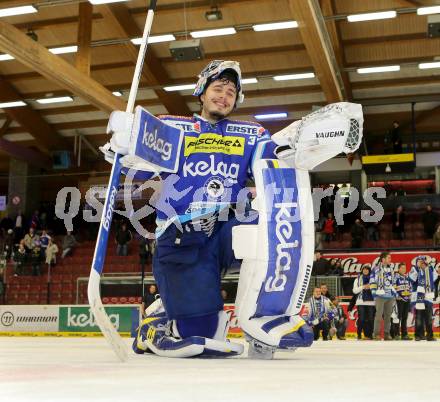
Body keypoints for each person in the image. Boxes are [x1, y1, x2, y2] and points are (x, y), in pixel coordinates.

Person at [102, 59, 363, 358]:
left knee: (272, 223)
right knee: (203, 335)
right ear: (201, 92)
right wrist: (124, 146)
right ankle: (157, 321)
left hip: (229, 225)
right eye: (218, 88)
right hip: (183, 232)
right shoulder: (172, 127)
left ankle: (266, 316)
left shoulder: (251, 133)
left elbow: (277, 155)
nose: (224, 96)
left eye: (230, 92)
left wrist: (316, 135)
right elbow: (138, 166)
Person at [409, 256, 438, 341]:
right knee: (418, 317)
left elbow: (435, 278)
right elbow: (411, 279)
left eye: (423, 262)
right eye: (420, 262)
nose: (422, 263)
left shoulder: (430, 269)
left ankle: (430, 335)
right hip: (418, 296)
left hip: (428, 296)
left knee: (429, 317)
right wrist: (418, 269)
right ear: (417, 262)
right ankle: (418, 335)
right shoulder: (414, 269)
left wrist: (428, 270)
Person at [370, 252, 396, 340]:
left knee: (388, 316)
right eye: (389, 258)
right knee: (378, 316)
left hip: (389, 296)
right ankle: (376, 334)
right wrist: (374, 293)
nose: (390, 259)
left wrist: (394, 292)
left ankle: (386, 334)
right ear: (383, 259)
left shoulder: (391, 269)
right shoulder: (376, 269)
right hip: (380, 296)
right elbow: (372, 281)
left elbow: (393, 282)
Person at [352, 266, 374, 340]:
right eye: (364, 269)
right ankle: (359, 334)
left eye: (367, 269)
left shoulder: (373, 279)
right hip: (360, 302)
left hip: (371, 302)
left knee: (371, 319)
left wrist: (370, 287)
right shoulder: (357, 279)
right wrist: (363, 287)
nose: (365, 271)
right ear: (362, 270)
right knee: (361, 319)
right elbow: (354, 291)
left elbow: (377, 288)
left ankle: (370, 335)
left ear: (369, 271)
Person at [393, 263, 411, 340]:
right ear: (399, 269)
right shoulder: (395, 277)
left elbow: (410, 287)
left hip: (407, 299)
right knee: (398, 317)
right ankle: (396, 334)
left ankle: (404, 334)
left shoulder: (407, 277)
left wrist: (410, 295)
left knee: (405, 317)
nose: (404, 269)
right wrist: (397, 296)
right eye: (402, 268)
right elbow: (393, 288)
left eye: (405, 268)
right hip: (399, 300)